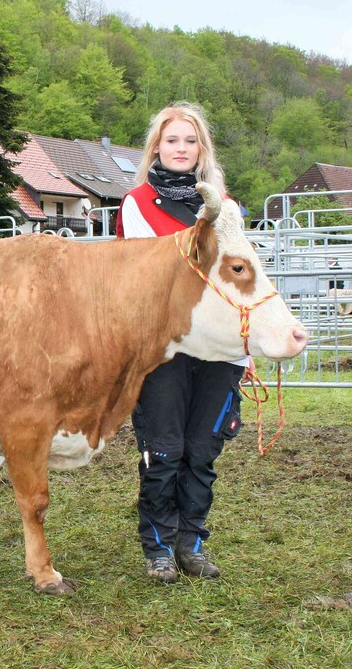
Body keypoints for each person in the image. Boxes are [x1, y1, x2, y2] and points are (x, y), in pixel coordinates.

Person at [115, 102, 247, 583]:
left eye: (190, 141)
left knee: (202, 450)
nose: (181, 148)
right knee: (163, 449)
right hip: (164, 348)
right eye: (172, 139)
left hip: (220, 349)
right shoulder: (137, 204)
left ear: (201, 149)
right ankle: (158, 549)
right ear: (157, 146)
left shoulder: (227, 207)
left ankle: (191, 544)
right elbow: (146, 278)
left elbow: (237, 274)